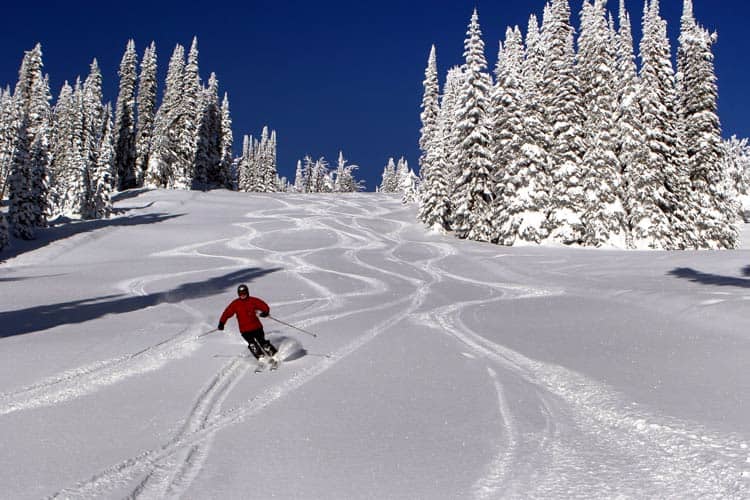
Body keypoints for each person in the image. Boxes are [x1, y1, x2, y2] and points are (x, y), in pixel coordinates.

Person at [218, 284, 278, 367]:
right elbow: (227, 313)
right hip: (244, 330)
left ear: (247, 292)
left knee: (262, 342)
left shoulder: (253, 300)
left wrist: (265, 312)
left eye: (244, 293)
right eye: (241, 294)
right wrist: (221, 323)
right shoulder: (235, 304)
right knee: (252, 344)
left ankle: (274, 354)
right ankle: (261, 357)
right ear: (238, 294)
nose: (243, 295)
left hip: (256, 327)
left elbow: (263, 305)